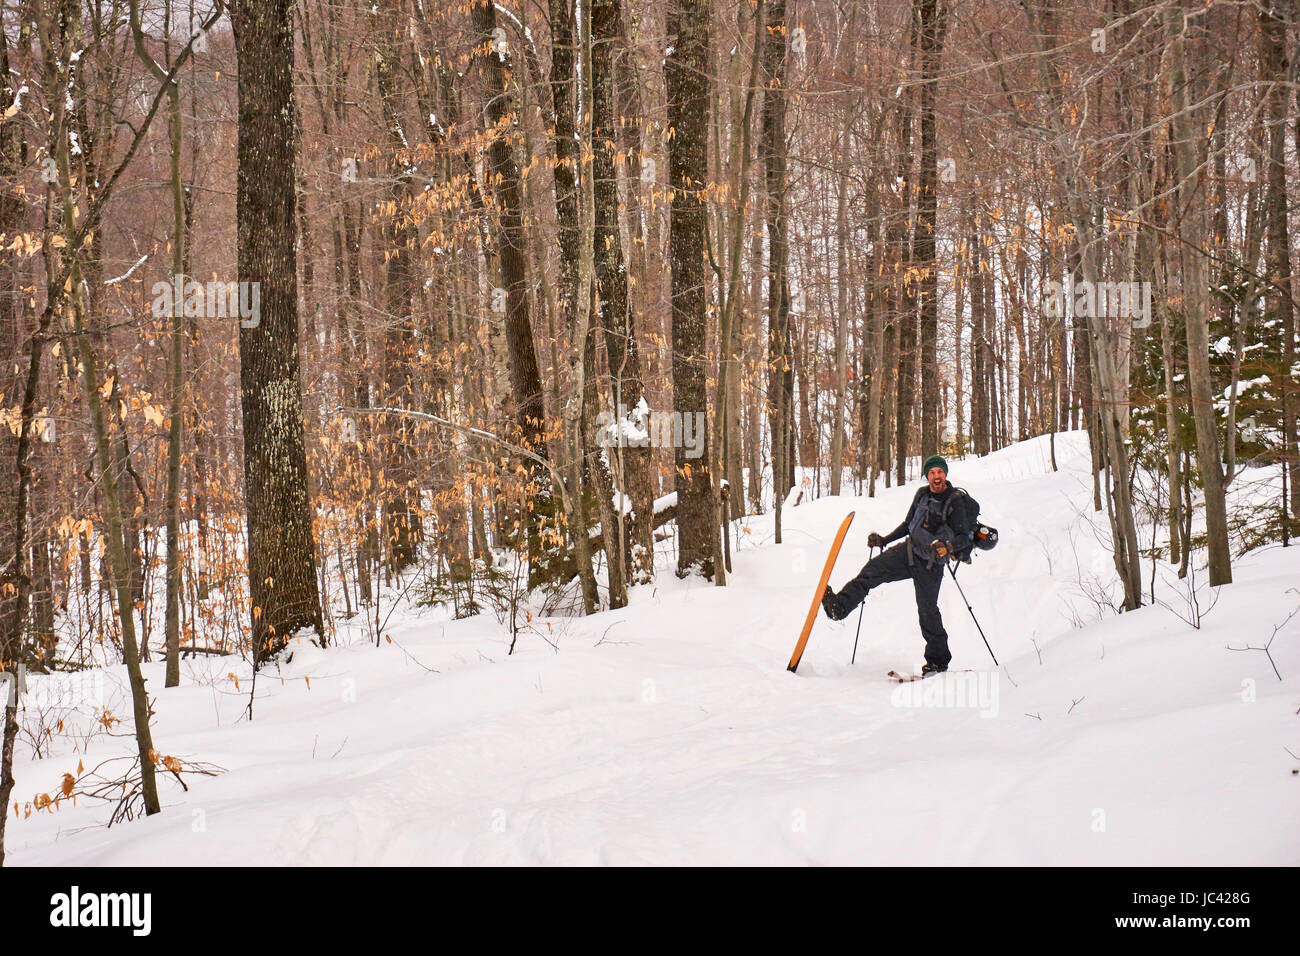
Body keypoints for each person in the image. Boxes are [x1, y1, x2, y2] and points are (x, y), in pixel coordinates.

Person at [821, 455, 975, 676]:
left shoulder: (955, 501)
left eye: (940, 472)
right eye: (932, 473)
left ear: (945, 474)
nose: (936, 477)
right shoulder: (922, 495)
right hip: (909, 551)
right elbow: (907, 525)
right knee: (870, 572)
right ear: (927, 476)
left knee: (927, 611)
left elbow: (964, 538)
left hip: (931, 563)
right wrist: (884, 540)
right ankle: (839, 608)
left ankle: (938, 662)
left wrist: (948, 546)